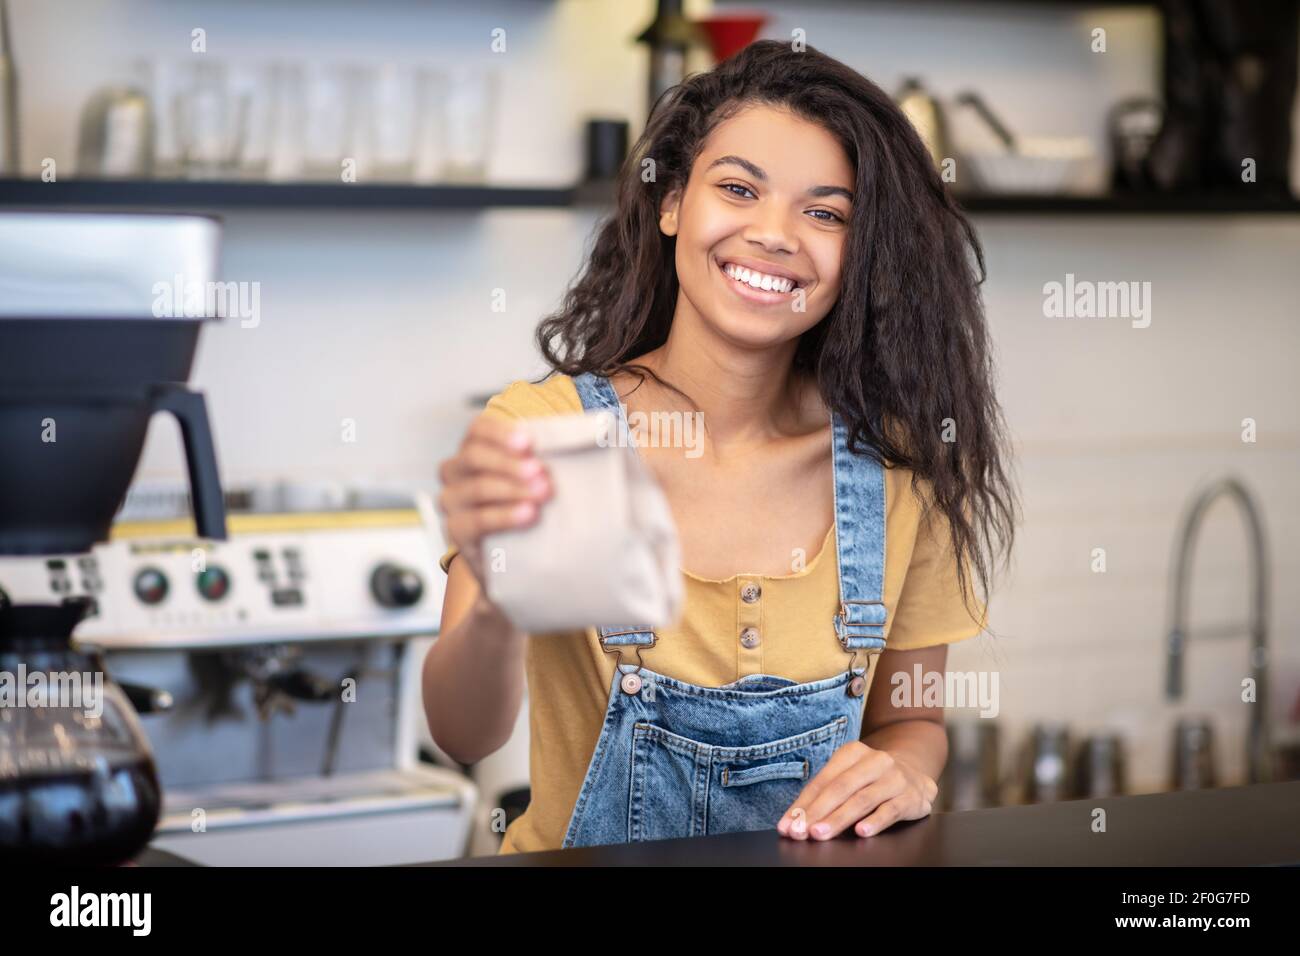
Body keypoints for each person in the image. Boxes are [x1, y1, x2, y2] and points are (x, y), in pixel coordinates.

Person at [425, 40, 1018, 854]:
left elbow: (909, 716)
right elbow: (462, 735)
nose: (774, 235)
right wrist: (498, 597)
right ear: (672, 202)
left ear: (862, 251)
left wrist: (908, 767)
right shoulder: (546, 433)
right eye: (738, 188)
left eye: (825, 213)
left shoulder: (901, 464)